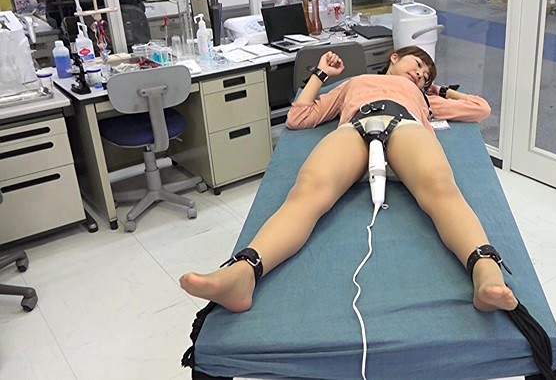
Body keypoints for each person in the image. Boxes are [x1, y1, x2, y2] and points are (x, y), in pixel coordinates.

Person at [180, 46, 518, 315]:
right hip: (356, 127)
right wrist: (321, 74)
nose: (420, 74)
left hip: (406, 127)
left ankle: (486, 274)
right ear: (394, 57)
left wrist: (436, 90)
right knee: (307, 193)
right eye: (417, 65)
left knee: (442, 190)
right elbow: (299, 117)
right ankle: (243, 274)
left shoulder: (424, 97)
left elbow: (480, 109)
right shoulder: (354, 84)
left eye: (425, 75)